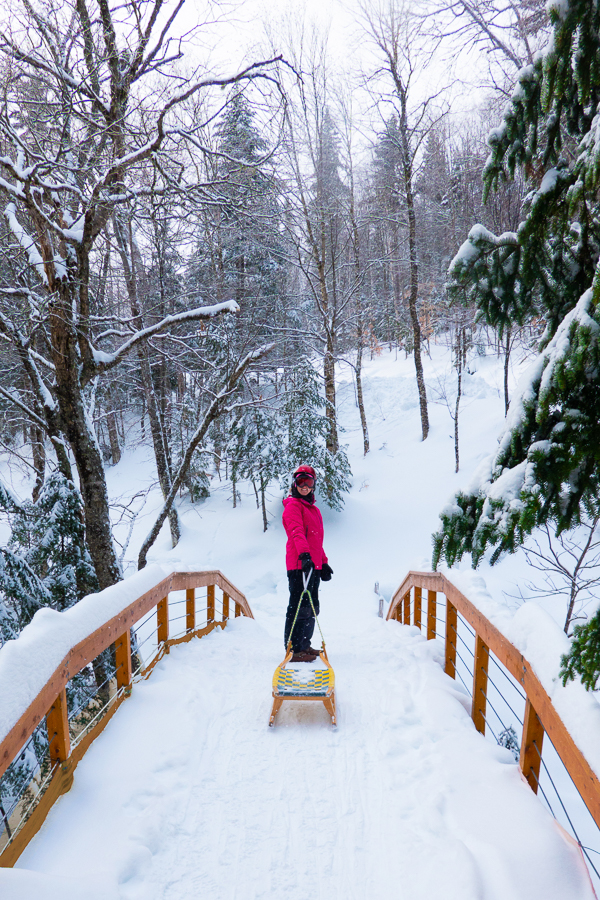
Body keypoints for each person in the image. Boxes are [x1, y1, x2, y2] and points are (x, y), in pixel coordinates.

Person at [282, 465, 333, 662]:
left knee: (312, 606)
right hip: (299, 564)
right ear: (295, 484)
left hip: (312, 564)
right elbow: (296, 532)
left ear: (313, 486)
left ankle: (304, 645)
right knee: (298, 606)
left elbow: (315, 540)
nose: (305, 486)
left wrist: (324, 562)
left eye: (309, 482)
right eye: (301, 482)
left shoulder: (314, 510)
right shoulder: (293, 506)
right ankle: (293, 649)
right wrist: (304, 555)